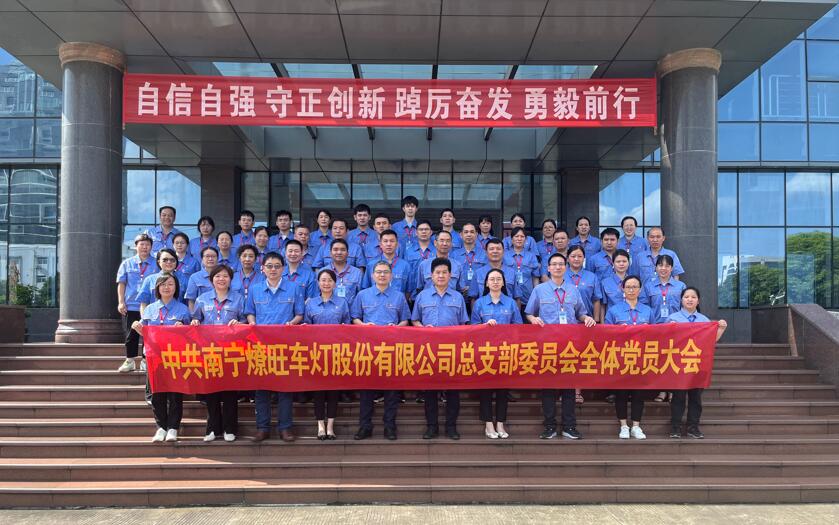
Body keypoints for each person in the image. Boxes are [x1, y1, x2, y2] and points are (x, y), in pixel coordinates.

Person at [525, 252, 595, 441]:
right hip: (547, 345)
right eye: (554, 264)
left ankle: (569, 426)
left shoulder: (573, 290)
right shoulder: (539, 290)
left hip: (569, 346)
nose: (557, 267)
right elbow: (529, 312)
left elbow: (580, 313)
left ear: (566, 267)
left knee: (569, 388)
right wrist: (533, 319)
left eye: (561, 264)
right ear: (548, 268)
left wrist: (587, 318)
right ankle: (549, 426)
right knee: (548, 387)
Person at [245, 252, 305, 443]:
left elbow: (300, 314)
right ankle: (262, 428)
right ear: (262, 268)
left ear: (283, 268)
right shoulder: (254, 289)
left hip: (285, 345)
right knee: (261, 389)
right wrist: (253, 323)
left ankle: (285, 428)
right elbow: (249, 312)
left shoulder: (294, 288)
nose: (273, 269)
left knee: (285, 388)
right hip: (260, 345)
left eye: (277, 266)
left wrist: (291, 323)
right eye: (269, 266)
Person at [351, 260, 412, 441]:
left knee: (391, 392)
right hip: (368, 350)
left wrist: (397, 327)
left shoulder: (399, 296)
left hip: (391, 350)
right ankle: (365, 427)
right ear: (372, 275)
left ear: (391, 275)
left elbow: (405, 320)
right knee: (366, 391)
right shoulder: (363, 295)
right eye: (378, 272)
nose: (382, 275)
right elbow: (354, 317)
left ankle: (389, 427)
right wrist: (364, 326)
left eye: (385, 272)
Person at [412, 258, 469, 440]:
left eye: (445, 272)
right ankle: (432, 427)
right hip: (428, 351)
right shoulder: (422, 296)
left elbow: (463, 324)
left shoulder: (458, 297)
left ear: (450, 275)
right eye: (438, 272)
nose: (441, 275)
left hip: (452, 351)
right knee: (430, 391)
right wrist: (423, 329)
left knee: (453, 391)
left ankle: (451, 427)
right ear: (431, 275)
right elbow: (415, 320)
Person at [131, 273, 190, 443]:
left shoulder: (183, 309)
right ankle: (161, 427)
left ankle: (173, 428)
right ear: (157, 288)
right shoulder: (150, 309)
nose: (166, 287)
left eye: (170, 284)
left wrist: (183, 327)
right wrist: (138, 327)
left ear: (176, 287)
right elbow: (146, 332)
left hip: (176, 357)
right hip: (155, 356)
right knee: (157, 394)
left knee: (175, 394)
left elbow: (191, 334)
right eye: (163, 284)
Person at [190, 265, 246, 442]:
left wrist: (240, 323)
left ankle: (230, 428)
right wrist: (195, 322)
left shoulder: (239, 299)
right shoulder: (202, 299)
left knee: (230, 391)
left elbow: (245, 320)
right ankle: (212, 428)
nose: (221, 279)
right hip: (209, 351)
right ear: (211, 279)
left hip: (231, 350)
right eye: (218, 276)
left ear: (231, 279)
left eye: (225, 276)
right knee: (211, 390)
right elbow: (196, 318)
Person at [669, 287, 728, 439]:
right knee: (678, 397)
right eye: (686, 297)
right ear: (681, 300)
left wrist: (721, 329)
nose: (689, 299)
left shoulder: (704, 320)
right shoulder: (672, 318)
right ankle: (675, 427)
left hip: (698, 364)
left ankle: (693, 427)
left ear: (698, 301)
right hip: (679, 364)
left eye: (693, 297)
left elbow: (711, 341)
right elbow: (666, 341)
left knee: (696, 398)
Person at [471, 269, 522, 439]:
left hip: (505, 352)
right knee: (485, 390)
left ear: (503, 282)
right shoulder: (479, 303)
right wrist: (485, 326)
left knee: (502, 390)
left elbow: (518, 328)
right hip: (485, 352)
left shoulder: (511, 303)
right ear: (486, 283)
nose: (495, 282)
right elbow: (473, 328)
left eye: (498, 279)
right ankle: (488, 424)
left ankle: (500, 423)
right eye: (491, 279)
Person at [604, 275, 653, 440]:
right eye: (628, 287)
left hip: (641, 357)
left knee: (639, 393)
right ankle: (624, 426)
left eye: (635, 287)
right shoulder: (614, 310)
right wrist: (618, 332)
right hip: (621, 357)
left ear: (640, 289)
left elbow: (656, 334)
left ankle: (636, 426)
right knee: (621, 393)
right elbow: (605, 334)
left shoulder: (647, 310)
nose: (631, 290)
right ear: (622, 289)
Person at [304, 269, 351, 440]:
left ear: (335, 283)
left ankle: (330, 426)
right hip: (316, 354)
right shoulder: (310, 303)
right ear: (318, 283)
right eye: (323, 280)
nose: (326, 283)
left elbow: (347, 326)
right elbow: (306, 327)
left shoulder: (342, 303)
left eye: (329, 280)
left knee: (333, 391)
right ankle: (320, 426)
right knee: (318, 391)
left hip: (336, 353)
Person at [639, 254, 687, 402]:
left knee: (674, 360)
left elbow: (685, 307)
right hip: (656, 328)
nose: (663, 268)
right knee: (660, 360)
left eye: (667, 266)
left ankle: (672, 390)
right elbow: (644, 307)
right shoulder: (648, 286)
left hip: (676, 328)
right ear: (656, 267)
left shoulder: (680, 286)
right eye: (660, 265)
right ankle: (661, 390)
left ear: (672, 268)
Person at [116, 233, 158, 373]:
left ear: (151, 247)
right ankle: (130, 361)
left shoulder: (157, 263)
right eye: (142, 244)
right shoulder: (127, 263)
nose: (145, 247)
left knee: (148, 334)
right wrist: (121, 302)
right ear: (136, 246)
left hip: (151, 306)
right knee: (131, 334)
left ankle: (146, 360)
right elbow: (122, 283)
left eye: (147, 244)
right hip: (132, 305)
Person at [362, 229, 412, 299]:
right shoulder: (371, 265)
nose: (389, 244)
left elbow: (408, 291)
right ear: (380, 244)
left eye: (392, 241)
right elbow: (366, 288)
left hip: (397, 304)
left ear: (397, 244)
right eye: (385, 241)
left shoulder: (405, 266)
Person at [414, 230, 465, 298]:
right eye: (441, 240)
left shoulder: (457, 265)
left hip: (451, 302)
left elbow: (460, 289)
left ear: (451, 244)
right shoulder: (424, 265)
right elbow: (419, 288)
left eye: (448, 241)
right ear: (435, 243)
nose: (445, 243)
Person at [503, 226, 540, 306]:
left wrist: (536, 295)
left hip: (527, 295)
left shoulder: (531, 256)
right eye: (516, 236)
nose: (519, 239)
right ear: (511, 239)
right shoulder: (504, 255)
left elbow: (535, 278)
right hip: (509, 296)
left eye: (522, 236)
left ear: (525, 240)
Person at [321, 239, 364, 306]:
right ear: (330, 253)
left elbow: (361, 297)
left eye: (343, 250)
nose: (339, 252)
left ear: (348, 253)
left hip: (351, 311)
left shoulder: (357, 273)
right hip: (327, 310)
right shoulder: (322, 272)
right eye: (335, 249)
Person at [451, 222, 486, 298]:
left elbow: (486, 274)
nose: (469, 234)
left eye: (472, 232)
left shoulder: (484, 254)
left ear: (476, 234)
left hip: (479, 295)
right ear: (461, 235)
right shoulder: (454, 255)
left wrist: (474, 289)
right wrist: (461, 287)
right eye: (466, 232)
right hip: (459, 295)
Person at [597, 249, 632, 322]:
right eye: (618, 261)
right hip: (612, 320)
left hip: (630, 321)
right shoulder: (605, 282)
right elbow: (603, 306)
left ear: (629, 263)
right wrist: (603, 325)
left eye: (624, 261)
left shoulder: (633, 282)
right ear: (613, 263)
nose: (621, 264)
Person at [185, 246, 219, 312]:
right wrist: (193, 315)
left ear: (217, 259)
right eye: (207, 256)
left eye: (213, 256)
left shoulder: (223, 276)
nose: (210, 259)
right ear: (202, 259)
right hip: (201, 314)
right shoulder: (194, 277)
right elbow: (191, 300)